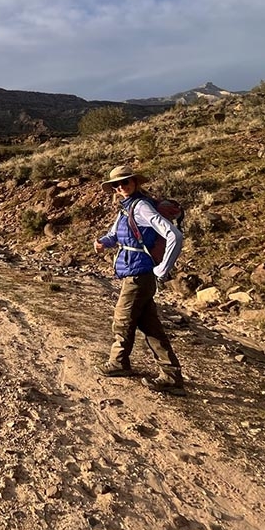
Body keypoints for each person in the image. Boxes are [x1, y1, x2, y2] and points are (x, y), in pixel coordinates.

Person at [92, 165, 186, 395]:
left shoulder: (141, 207)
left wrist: (163, 269)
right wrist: (103, 242)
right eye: (116, 184)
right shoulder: (127, 207)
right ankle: (171, 375)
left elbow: (174, 235)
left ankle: (118, 363)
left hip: (139, 275)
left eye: (125, 182)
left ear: (135, 182)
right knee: (149, 324)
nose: (121, 187)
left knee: (123, 320)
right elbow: (115, 234)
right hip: (135, 273)